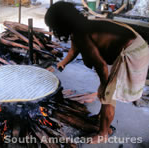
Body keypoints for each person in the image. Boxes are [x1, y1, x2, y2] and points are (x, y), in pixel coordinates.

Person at [45, 1, 149, 144]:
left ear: (61, 24)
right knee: (106, 91)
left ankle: (103, 133)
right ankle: (102, 117)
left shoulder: (82, 32)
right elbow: (74, 49)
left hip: (133, 51)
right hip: (131, 45)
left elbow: (101, 65)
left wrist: (104, 85)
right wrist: (62, 63)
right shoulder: (79, 28)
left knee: (108, 95)